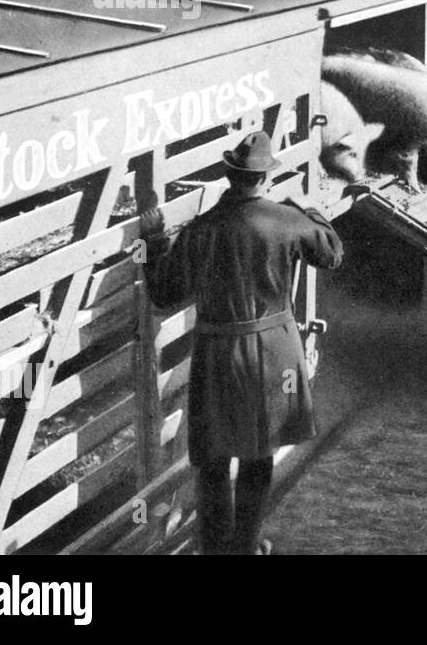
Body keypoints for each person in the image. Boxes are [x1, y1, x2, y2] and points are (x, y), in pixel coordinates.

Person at [139, 131, 343, 555]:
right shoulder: (287, 220)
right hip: (274, 354)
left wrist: (154, 243)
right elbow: (331, 253)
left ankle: (215, 550)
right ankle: (246, 547)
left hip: (218, 355)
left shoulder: (200, 229)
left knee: (212, 459)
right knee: (260, 453)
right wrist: (307, 209)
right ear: (265, 179)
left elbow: (161, 293)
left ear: (230, 177)